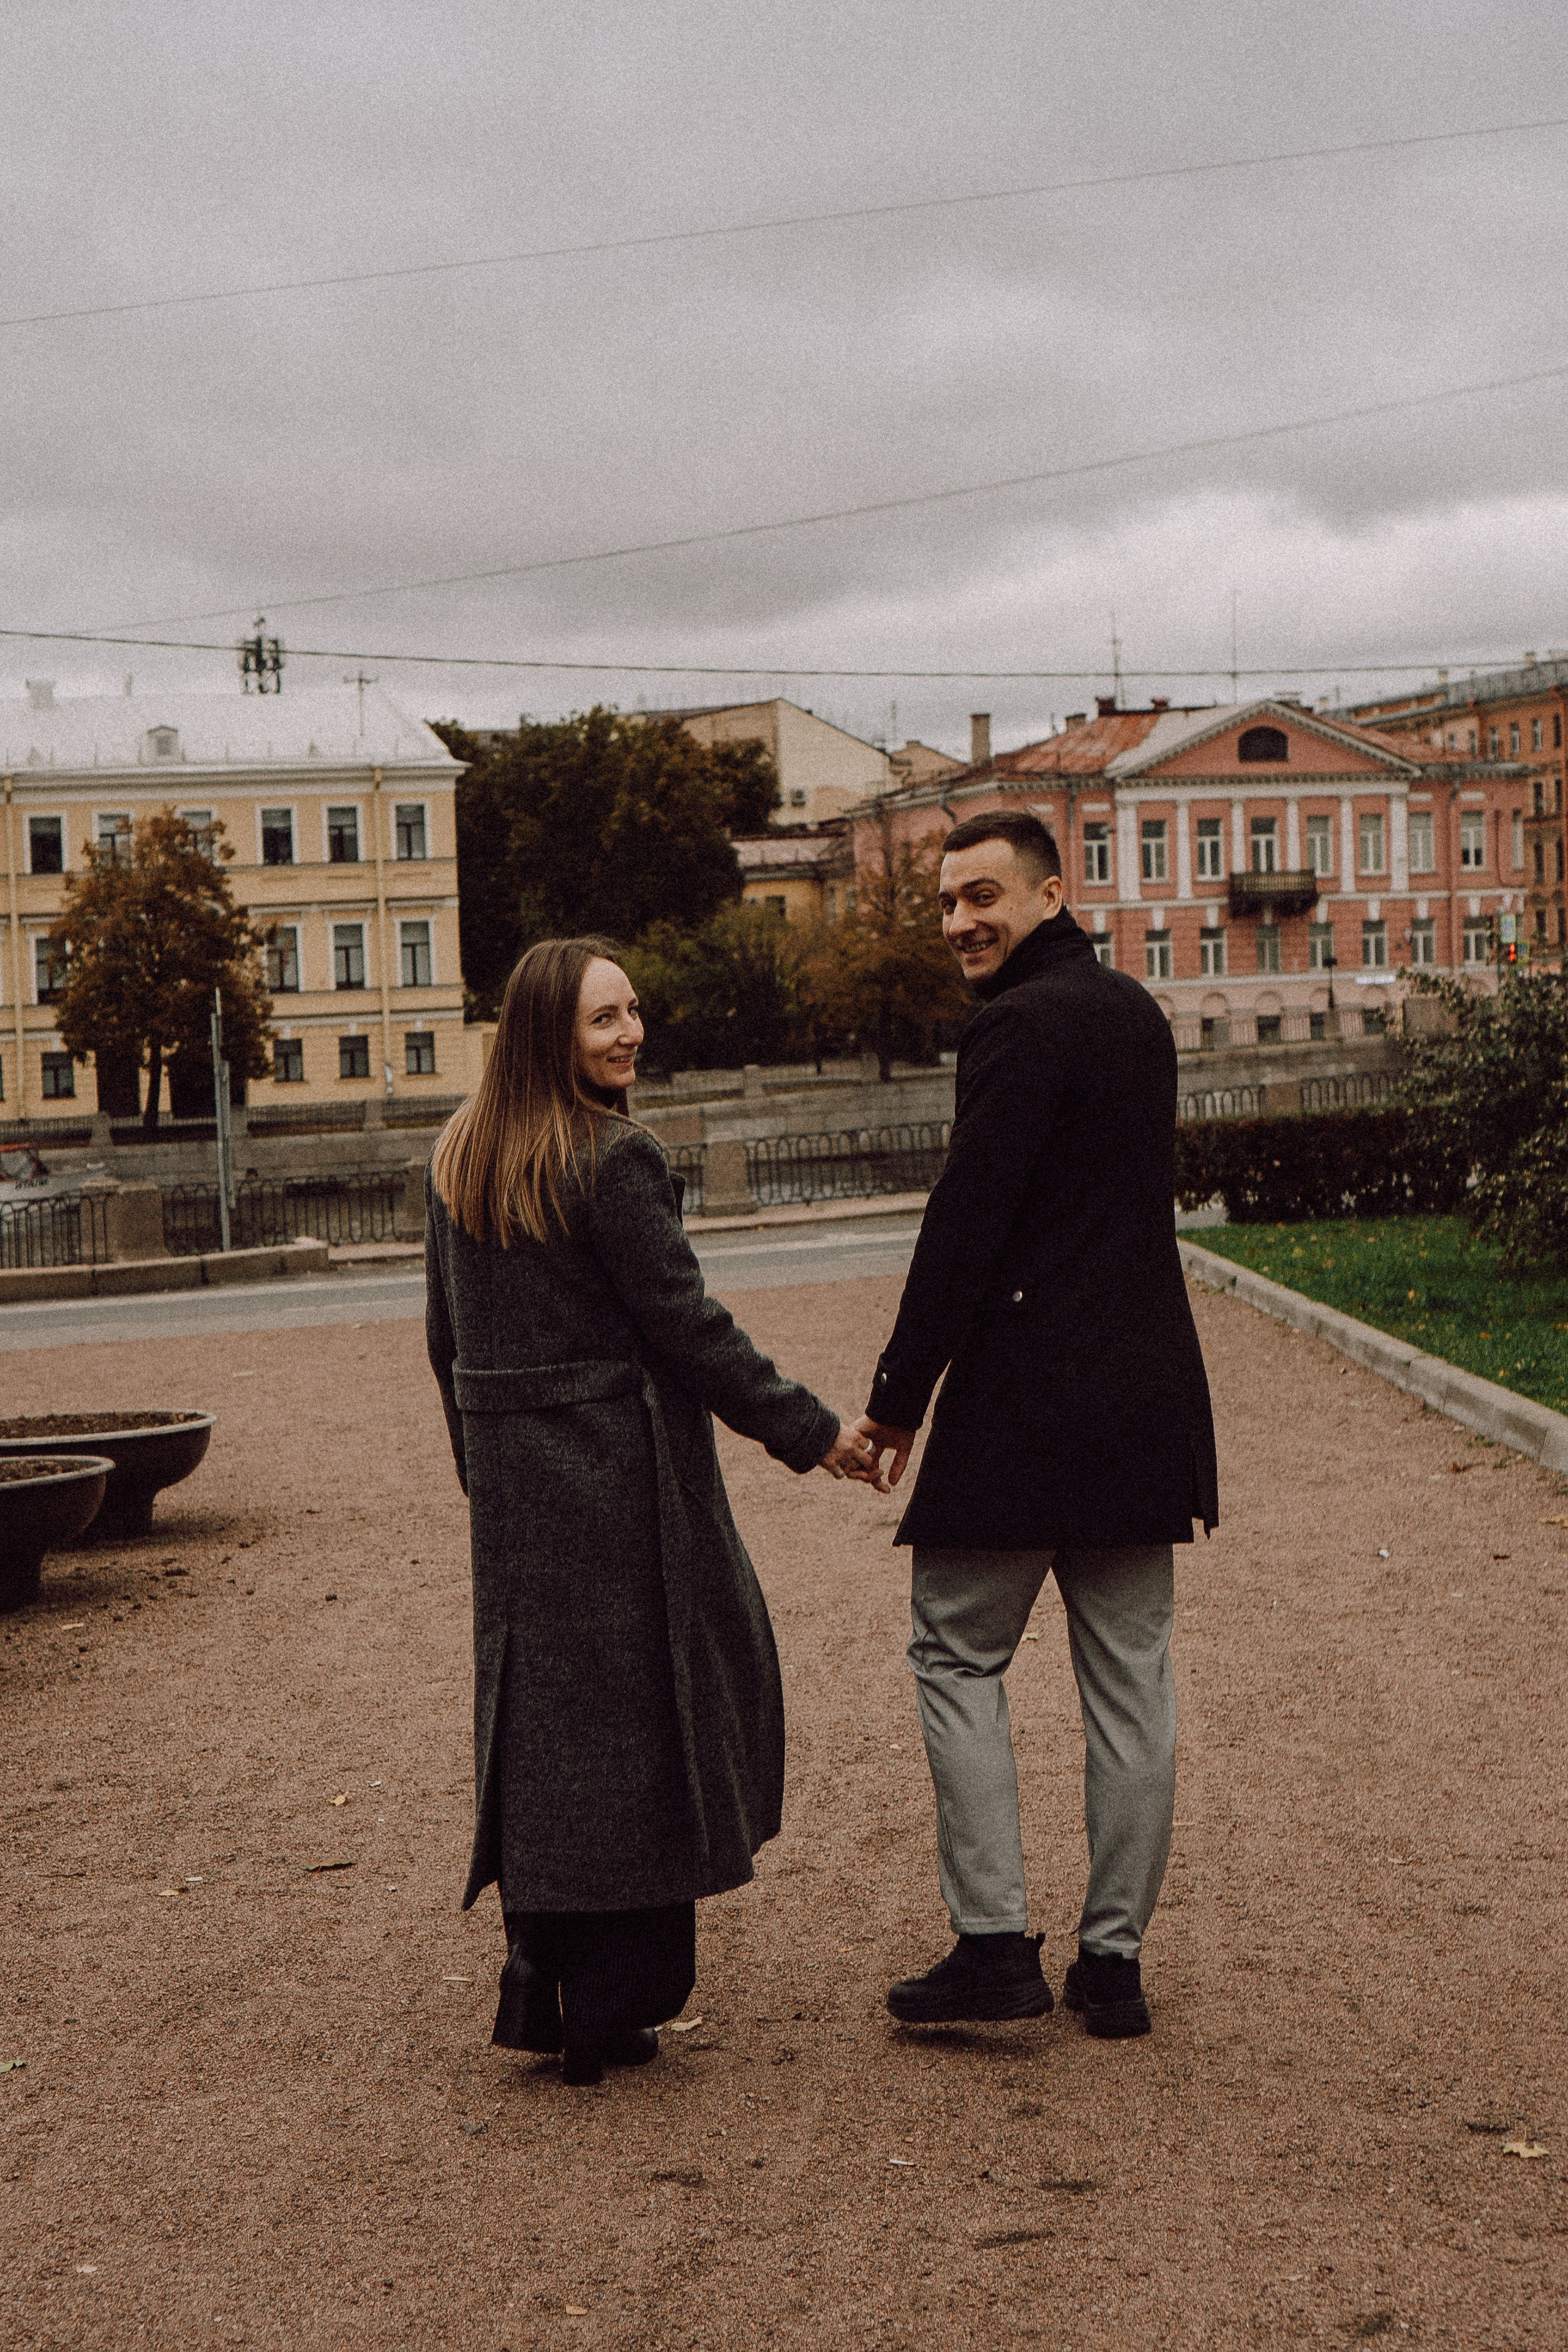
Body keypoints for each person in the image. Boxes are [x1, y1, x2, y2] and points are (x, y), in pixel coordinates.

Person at [424, 937, 876, 2087]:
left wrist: (489, 1472)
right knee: (655, 1711)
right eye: (602, 1021)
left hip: (522, 1491)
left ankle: (545, 1977)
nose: (629, 1034)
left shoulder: (462, 1156)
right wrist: (814, 1432)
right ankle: (619, 1997)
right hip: (624, 1482)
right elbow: (690, 1329)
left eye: (632, 1013)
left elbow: (446, 1342)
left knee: (542, 1724)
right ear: (549, 1037)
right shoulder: (614, 1159)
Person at [853, 811, 1218, 2040]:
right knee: (1130, 1683)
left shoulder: (1011, 1025)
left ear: (1051, 891)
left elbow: (971, 1219)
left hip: (1024, 1403)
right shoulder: (1135, 1014)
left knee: (955, 1654)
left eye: (982, 897)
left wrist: (897, 1397)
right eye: (947, 902)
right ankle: (1111, 1967)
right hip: (1144, 1395)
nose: (959, 920)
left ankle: (995, 1945)